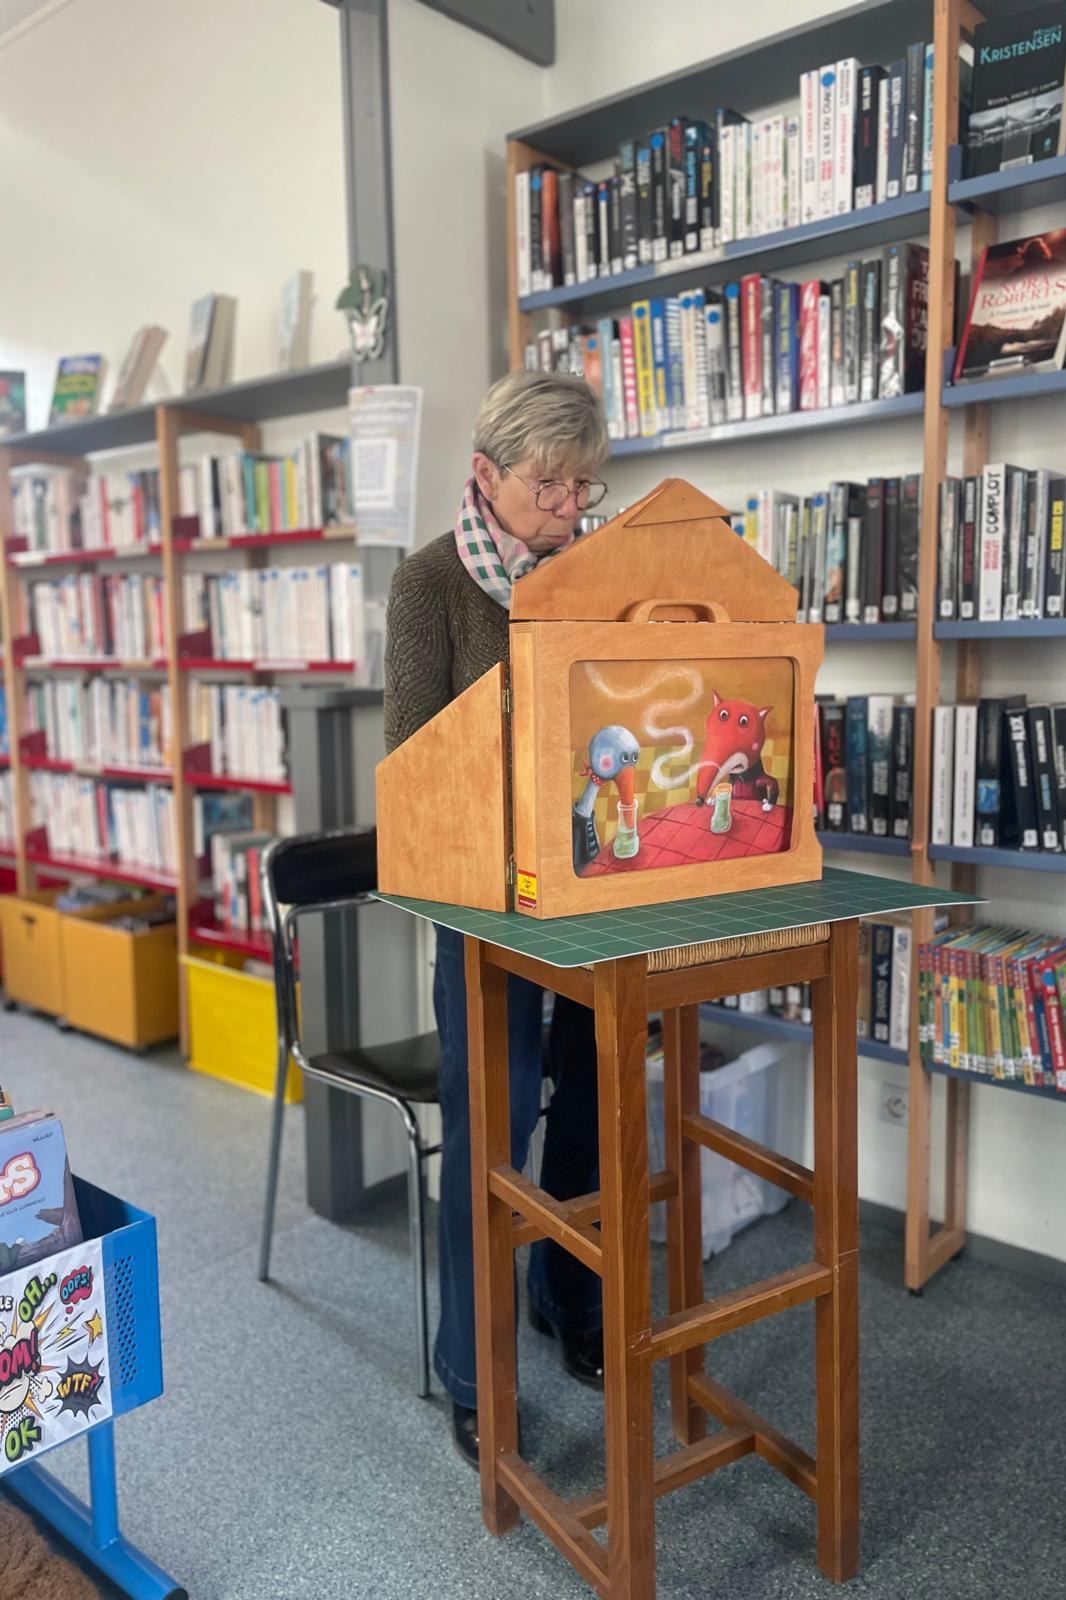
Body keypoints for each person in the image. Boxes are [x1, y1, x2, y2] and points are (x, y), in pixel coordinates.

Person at [383, 369, 611, 1468]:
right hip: (483, 904)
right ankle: (471, 1370)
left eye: (582, 488)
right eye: (545, 487)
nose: (568, 510)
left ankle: (568, 1297)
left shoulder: (598, 569)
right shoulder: (430, 584)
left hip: (595, 891)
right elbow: (414, 768)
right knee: (494, 1122)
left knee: (595, 1103)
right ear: (484, 475)